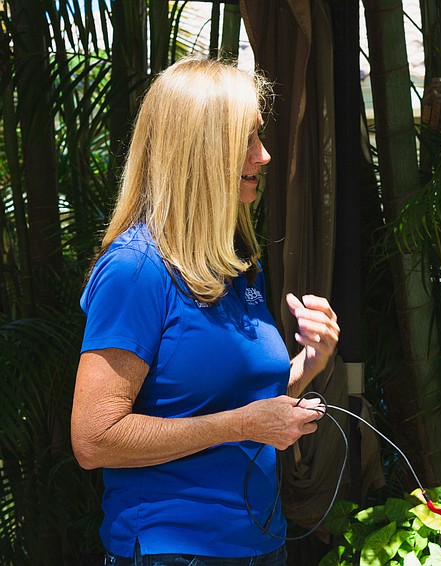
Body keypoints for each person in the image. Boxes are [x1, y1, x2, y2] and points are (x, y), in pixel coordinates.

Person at [70, 56, 340, 565]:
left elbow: (242, 404)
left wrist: (309, 364)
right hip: (172, 550)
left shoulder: (235, 264)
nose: (263, 155)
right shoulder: (135, 270)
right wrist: (240, 425)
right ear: (199, 151)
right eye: (247, 139)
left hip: (261, 543)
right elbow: (94, 439)